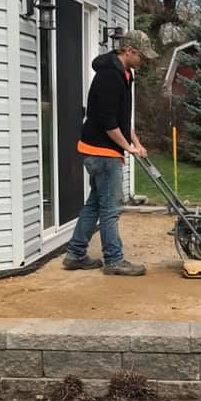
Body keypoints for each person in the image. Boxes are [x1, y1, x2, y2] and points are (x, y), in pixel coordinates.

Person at [62, 30, 158, 276]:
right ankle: (114, 260)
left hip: (102, 150)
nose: (143, 61)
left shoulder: (125, 74)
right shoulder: (109, 76)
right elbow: (107, 121)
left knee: (94, 205)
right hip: (101, 152)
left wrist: (136, 143)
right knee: (110, 209)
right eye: (141, 56)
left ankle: (75, 254)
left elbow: (123, 119)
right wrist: (127, 147)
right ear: (128, 51)